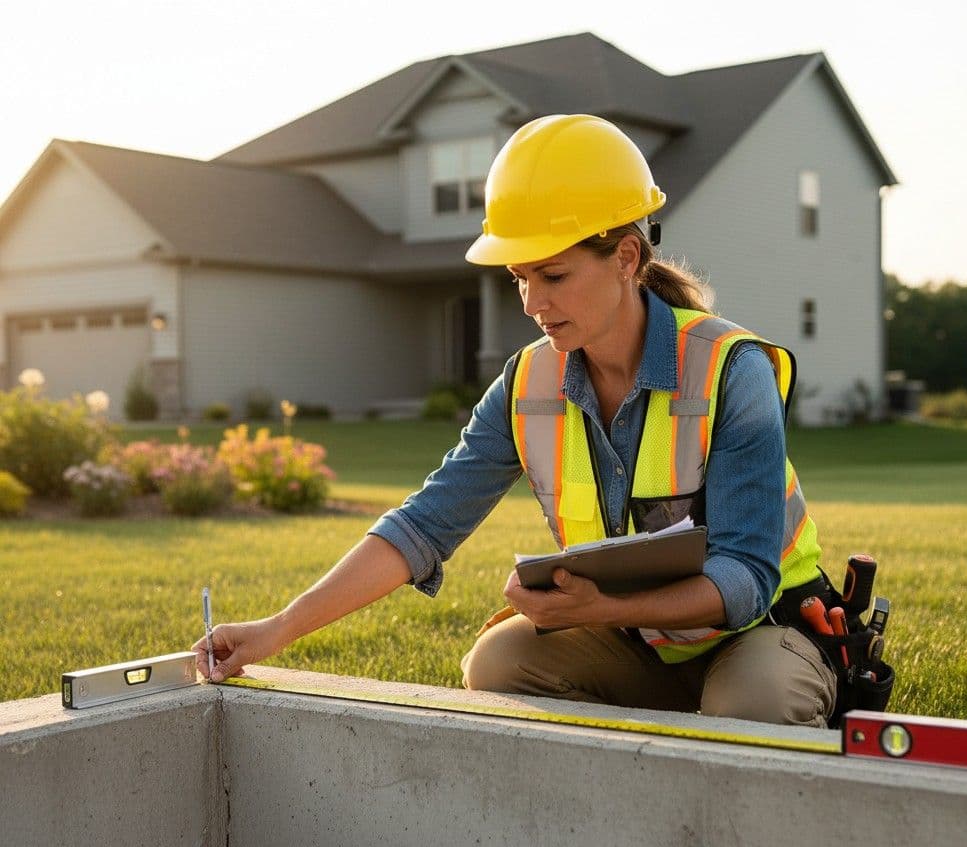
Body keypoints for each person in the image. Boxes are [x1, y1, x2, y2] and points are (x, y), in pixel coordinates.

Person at [194, 113, 837, 728]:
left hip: (759, 632)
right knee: (499, 663)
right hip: (638, 641)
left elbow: (746, 580)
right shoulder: (527, 382)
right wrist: (277, 629)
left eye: (553, 275)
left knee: (754, 703)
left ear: (625, 257)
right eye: (519, 278)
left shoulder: (730, 368)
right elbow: (424, 525)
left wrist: (602, 607)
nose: (532, 303)